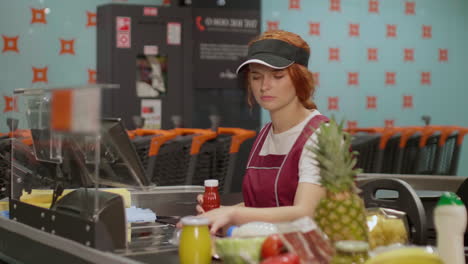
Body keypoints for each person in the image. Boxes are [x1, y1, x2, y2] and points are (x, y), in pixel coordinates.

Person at [196, 30, 329, 234]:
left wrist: (234, 215)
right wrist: (221, 212)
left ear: (300, 79)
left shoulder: (320, 135)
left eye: (278, 76)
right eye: (256, 77)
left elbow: (306, 213)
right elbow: (263, 206)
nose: (265, 86)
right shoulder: (265, 133)